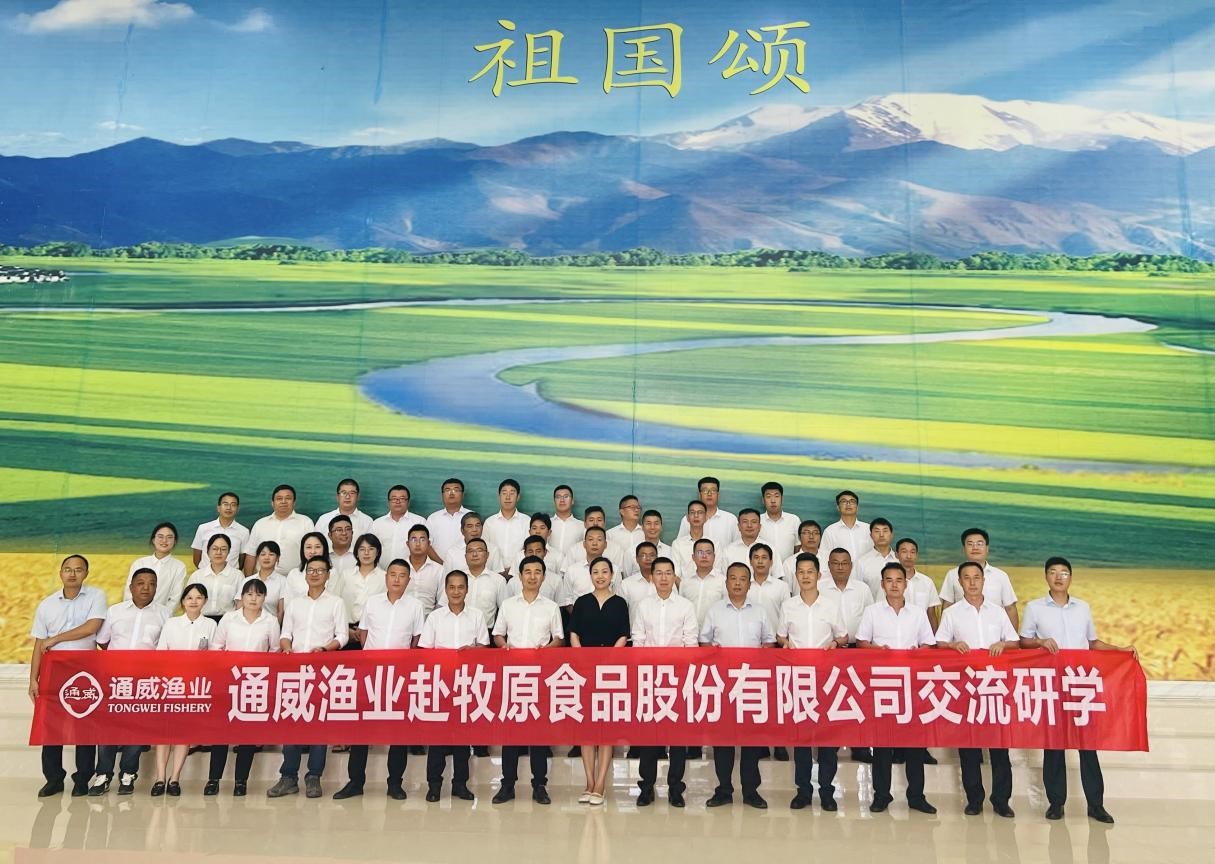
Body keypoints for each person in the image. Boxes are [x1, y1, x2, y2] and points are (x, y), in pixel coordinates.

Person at [1020, 556, 1135, 824]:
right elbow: (1024, 641)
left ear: (1070, 577)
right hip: (1051, 683)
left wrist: (1120, 650)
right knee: (1054, 745)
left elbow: (1092, 643)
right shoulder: (1035, 608)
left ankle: (1096, 805)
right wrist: (1040, 642)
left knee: (1087, 747)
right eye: (1053, 572)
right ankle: (1056, 803)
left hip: (1080, 683)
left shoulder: (1083, 607)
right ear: (1046, 577)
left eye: (1064, 573)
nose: (1058, 577)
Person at [333, 560, 425, 800]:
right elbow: (363, 633)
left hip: (399, 676)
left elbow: (416, 639)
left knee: (398, 732)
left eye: (402, 575)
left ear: (408, 580)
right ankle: (355, 782)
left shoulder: (415, 606)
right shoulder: (373, 602)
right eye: (392, 574)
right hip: (371, 674)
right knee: (362, 730)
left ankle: (395, 784)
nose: (396, 579)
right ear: (386, 578)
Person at [936, 561, 1019, 817]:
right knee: (968, 746)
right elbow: (939, 643)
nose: (972, 582)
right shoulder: (952, 613)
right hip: (966, 687)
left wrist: (1003, 645)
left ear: (984, 581)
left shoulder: (998, 612)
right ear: (960, 582)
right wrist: (952, 646)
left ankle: (1001, 800)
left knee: (999, 747)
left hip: (994, 687)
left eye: (977, 577)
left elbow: (1014, 642)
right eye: (967, 578)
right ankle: (974, 799)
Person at [857, 562, 937, 815]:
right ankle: (882, 795)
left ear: (906, 584)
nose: (894, 585)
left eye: (898, 580)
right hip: (883, 685)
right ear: (882, 585)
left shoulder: (918, 613)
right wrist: (877, 650)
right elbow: (861, 643)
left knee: (914, 745)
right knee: (882, 744)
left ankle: (916, 796)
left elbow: (929, 645)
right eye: (889, 580)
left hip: (912, 686)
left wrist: (918, 653)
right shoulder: (872, 612)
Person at [269, 556, 348, 799]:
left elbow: (343, 635)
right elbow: (286, 634)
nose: (314, 574)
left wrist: (324, 649)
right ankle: (288, 777)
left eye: (320, 570)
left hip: (322, 671)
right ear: (305, 574)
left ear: (328, 575)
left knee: (318, 725)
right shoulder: (295, 604)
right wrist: (286, 648)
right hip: (295, 671)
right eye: (310, 570)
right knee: (292, 722)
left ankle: (314, 776)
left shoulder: (336, 603)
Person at [700, 562, 776, 809]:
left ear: (749, 584)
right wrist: (713, 651)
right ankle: (724, 790)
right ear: (726, 583)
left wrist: (762, 652)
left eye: (743, 579)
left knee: (752, 740)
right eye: (733, 578)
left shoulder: (760, 612)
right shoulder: (715, 611)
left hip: (752, 683)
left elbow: (769, 642)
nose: (737, 583)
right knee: (723, 740)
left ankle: (751, 791)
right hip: (723, 683)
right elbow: (704, 642)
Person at [30, 555, 107, 798]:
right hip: (54, 668)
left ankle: (82, 778)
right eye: (67, 569)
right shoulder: (47, 604)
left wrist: (57, 638)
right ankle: (54, 779)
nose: (72, 574)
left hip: (86, 667)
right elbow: (39, 643)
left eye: (78, 570)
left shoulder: (96, 596)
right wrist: (33, 678)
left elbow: (92, 627)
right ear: (61, 573)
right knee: (51, 725)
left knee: (84, 723)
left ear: (86, 573)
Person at [88, 567, 168, 796]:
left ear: (156, 588)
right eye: (140, 583)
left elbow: (164, 648)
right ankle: (103, 774)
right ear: (131, 587)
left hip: (144, 681)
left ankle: (128, 774)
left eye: (151, 583)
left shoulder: (164, 614)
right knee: (108, 727)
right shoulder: (115, 611)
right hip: (114, 679)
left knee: (136, 727)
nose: (146, 588)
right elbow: (103, 641)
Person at [491, 555, 564, 805]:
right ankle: (507, 785)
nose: (532, 576)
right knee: (510, 734)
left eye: (537, 572)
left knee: (538, 735)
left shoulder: (551, 607)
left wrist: (548, 650)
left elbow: (559, 638)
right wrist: (503, 645)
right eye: (528, 572)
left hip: (540, 677)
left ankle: (539, 785)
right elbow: (498, 634)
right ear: (520, 576)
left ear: (543, 577)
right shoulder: (508, 605)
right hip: (513, 676)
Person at [778, 553, 847, 811]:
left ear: (819, 575)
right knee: (802, 740)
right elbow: (780, 636)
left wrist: (835, 643)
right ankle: (803, 791)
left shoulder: (831, 605)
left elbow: (843, 636)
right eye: (801, 572)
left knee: (827, 739)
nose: (806, 576)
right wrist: (785, 643)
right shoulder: (788, 606)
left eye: (810, 572)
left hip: (826, 680)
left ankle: (827, 792)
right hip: (798, 681)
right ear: (796, 576)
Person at [633, 557, 698, 808]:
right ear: (651, 577)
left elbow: (690, 643)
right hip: (650, 679)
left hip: (677, 678)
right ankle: (646, 787)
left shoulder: (685, 606)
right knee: (649, 736)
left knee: (678, 737)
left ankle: (675, 787)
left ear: (674, 577)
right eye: (658, 573)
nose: (663, 577)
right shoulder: (644, 606)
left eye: (668, 573)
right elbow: (638, 640)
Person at [207, 578, 280, 796]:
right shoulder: (229, 619)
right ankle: (213, 780)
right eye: (249, 594)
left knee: (247, 734)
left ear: (264, 598)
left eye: (258, 595)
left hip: (254, 685)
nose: (253, 598)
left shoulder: (270, 621)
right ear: (241, 597)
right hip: (228, 682)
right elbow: (216, 647)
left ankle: (241, 781)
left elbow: (275, 651)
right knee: (220, 734)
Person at [420, 570, 488, 802]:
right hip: (440, 683)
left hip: (467, 684)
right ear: (445, 590)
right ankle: (434, 785)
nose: (456, 591)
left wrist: (473, 651)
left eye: (461, 587)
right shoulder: (435, 617)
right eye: (452, 587)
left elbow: (484, 648)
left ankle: (460, 784)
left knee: (462, 738)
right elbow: (425, 651)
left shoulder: (477, 616)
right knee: (437, 738)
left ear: (467, 590)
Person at [569, 557, 630, 805]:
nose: (601, 576)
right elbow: (574, 633)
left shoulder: (620, 603)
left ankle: (600, 784)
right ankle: (588, 782)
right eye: (596, 572)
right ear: (590, 575)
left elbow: (623, 635)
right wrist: (583, 659)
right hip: (584, 671)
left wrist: (609, 661)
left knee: (605, 728)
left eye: (605, 571)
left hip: (611, 672)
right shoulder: (582, 602)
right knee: (587, 728)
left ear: (612, 575)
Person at [153, 583, 219, 796]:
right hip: (170, 684)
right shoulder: (171, 623)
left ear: (205, 601)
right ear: (182, 601)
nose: (193, 601)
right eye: (189, 597)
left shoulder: (210, 625)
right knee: (164, 734)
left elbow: (214, 656)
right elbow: (161, 652)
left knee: (183, 733)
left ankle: (174, 779)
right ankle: (160, 778)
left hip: (195, 686)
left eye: (198, 597)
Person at [940, 528, 1019, 630]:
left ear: (987, 548)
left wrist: (1013, 637)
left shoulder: (1001, 576)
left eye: (979, 544)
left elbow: (1010, 608)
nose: (975, 548)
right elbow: (947, 606)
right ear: (964, 549)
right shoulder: (952, 575)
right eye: (970, 544)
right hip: (962, 634)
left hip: (995, 634)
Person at [243, 485, 314, 576]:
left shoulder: (306, 522)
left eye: (288, 498)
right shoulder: (260, 524)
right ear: (272, 503)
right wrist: (248, 579)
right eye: (279, 498)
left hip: (294, 578)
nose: (283, 501)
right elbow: (251, 554)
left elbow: (313, 552)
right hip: (263, 579)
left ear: (294, 502)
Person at [445, 537, 509, 630]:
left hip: (486, 632)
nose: (475, 554)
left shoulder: (498, 580)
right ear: (465, 556)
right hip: (455, 629)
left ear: (487, 555)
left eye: (479, 550)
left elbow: (505, 612)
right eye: (470, 551)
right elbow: (443, 605)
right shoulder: (456, 578)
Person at [126, 521, 188, 612]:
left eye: (169, 537)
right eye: (160, 536)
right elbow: (129, 591)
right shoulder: (139, 563)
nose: (164, 541)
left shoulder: (179, 567)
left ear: (174, 541)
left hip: (162, 616)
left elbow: (175, 598)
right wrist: (132, 612)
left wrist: (162, 616)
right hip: (134, 613)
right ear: (153, 540)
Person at [186, 533, 242, 622]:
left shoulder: (237, 576)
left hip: (228, 621)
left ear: (228, 552)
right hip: (201, 621)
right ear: (208, 551)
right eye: (215, 549)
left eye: (223, 549)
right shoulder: (197, 576)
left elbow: (240, 605)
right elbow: (188, 602)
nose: (219, 552)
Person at [676, 476, 740, 551]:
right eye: (705, 491)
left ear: (718, 494)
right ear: (699, 495)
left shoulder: (731, 519)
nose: (709, 494)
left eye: (713, 490)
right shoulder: (688, 519)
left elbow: (738, 546)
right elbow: (680, 546)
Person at [482, 479, 531, 574]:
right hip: (494, 572)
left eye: (512, 493)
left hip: (519, 573)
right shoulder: (489, 522)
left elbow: (528, 549)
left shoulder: (527, 521)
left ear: (518, 497)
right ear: (499, 497)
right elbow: (485, 548)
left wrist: (512, 570)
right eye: (504, 493)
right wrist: (499, 570)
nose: (508, 497)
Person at [192, 491, 250, 570]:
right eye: (225, 504)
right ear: (218, 508)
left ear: (237, 509)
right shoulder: (203, 528)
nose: (229, 508)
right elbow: (196, 558)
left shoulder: (244, 532)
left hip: (231, 576)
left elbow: (242, 559)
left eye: (233, 505)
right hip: (205, 575)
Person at [894, 537, 942, 630]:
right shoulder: (891, 583)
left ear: (917, 555)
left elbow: (931, 615)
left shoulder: (927, 582)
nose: (909, 556)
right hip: (897, 632)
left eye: (912, 552)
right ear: (896, 554)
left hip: (922, 634)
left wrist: (935, 638)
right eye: (904, 552)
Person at [745, 542, 791, 635]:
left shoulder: (782, 587)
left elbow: (788, 615)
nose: (760, 561)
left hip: (774, 638)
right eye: (756, 557)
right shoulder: (743, 586)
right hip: (748, 638)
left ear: (771, 562)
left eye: (764, 557)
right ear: (750, 561)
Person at [679, 538, 727, 627]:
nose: (704, 556)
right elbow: (680, 609)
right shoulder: (685, 581)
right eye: (700, 553)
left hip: (714, 631)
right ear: (693, 557)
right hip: (688, 631)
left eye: (708, 553)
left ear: (714, 557)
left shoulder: (723, 581)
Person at [371, 484, 425, 562]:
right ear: (388, 502)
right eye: (394, 499)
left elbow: (425, 548)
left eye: (402, 499)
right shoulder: (377, 523)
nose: (398, 502)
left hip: (410, 569)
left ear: (408, 502)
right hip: (382, 568)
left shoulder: (420, 522)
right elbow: (371, 547)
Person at [341, 533, 384, 628]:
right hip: (347, 629)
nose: (366, 553)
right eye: (362, 549)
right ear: (356, 553)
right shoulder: (345, 575)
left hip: (374, 630)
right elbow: (335, 603)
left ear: (377, 552)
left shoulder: (384, 577)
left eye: (371, 549)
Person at [819, 490, 871, 568]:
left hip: (867, 574)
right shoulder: (830, 531)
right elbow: (824, 558)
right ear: (838, 507)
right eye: (844, 501)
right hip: (841, 574)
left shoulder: (868, 529)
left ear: (857, 507)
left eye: (852, 501)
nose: (848, 504)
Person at [725, 509, 785, 576]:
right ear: (739, 526)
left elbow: (778, 577)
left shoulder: (771, 548)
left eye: (753, 522)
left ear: (759, 527)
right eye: (745, 522)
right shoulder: (728, 550)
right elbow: (724, 577)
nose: (749, 525)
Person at [242, 540, 287, 623]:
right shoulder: (247, 580)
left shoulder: (283, 581)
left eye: (271, 554)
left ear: (277, 558)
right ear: (257, 557)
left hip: (270, 625)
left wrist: (275, 627)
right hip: (247, 624)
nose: (266, 557)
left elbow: (281, 611)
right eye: (263, 554)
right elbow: (240, 607)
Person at [427, 477, 470, 562]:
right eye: (447, 490)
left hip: (467, 566)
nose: (451, 493)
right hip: (439, 566)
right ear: (442, 495)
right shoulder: (433, 518)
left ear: (462, 494)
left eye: (456, 490)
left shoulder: (471, 516)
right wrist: (442, 564)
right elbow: (427, 545)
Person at [404, 524, 444, 614]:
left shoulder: (439, 570)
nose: (418, 544)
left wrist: (432, 619)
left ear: (429, 543)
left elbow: (442, 602)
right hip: (402, 617)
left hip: (429, 618)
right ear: (407, 544)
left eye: (422, 540)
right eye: (414, 539)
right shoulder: (399, 568)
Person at [620, 541, 659, 630]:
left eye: (652, 555)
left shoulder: (666, 582)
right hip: (635, 635)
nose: (648, 558)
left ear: (657, 558)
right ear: (637, 559)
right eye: (643, 555)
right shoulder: (626, 584)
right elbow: (620, 613)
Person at [856, 517, 898, 596]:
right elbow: (859, 591)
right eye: (877, 531)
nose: (881, 535)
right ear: (871, 535)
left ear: (891, 535)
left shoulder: (899, 560)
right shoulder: (862, 562)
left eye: (885, 531)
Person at [758, 481, 800, 559]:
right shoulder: (757, 521)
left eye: (776, 496)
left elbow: (798, 546)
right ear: (763, 500)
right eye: (768, 496)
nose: (773, 501)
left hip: (788, 566)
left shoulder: (793, 520)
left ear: (782, 498)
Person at [626, 509, 672, 576]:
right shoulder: (631, 551)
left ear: (661, 527)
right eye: (648, 523)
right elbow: (627, 578)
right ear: (642, 527)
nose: (652, 527)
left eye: (656, 523)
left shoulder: (670, 551)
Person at [671, 500, 710, 579]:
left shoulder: (715, 544)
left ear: (706, 517)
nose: (696, 515)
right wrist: (685, 586)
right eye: (692, 512)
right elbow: (675, 574)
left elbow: (717, 572)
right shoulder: (678, 544)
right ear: (687, 517)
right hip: (683, 586)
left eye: (700, 512)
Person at [782, 520, 823, 588]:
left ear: (820, 537)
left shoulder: (829, 559)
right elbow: (787, 591)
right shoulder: (789, 563)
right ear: (799, 537)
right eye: (806, 533)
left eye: (815, 533)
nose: (811, 536)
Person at [606, 495, 645, 564]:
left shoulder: (645, 532)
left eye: (638, 508)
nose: (636, 510)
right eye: (632, 507)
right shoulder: (610, 534)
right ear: (622, 511)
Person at [549, 484, 585, 556]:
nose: (562, 500)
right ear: (554, 501)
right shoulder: (546, 524)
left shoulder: (582, 526)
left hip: (573, 563)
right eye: (558, 497)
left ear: (572, 501)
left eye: (566, 496)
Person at [327, 514, 357, 578]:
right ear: (330, 535)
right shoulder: (323, 555)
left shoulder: (360, 555)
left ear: (352, 533)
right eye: (339, 530)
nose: (344, 533)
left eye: (348, 529)